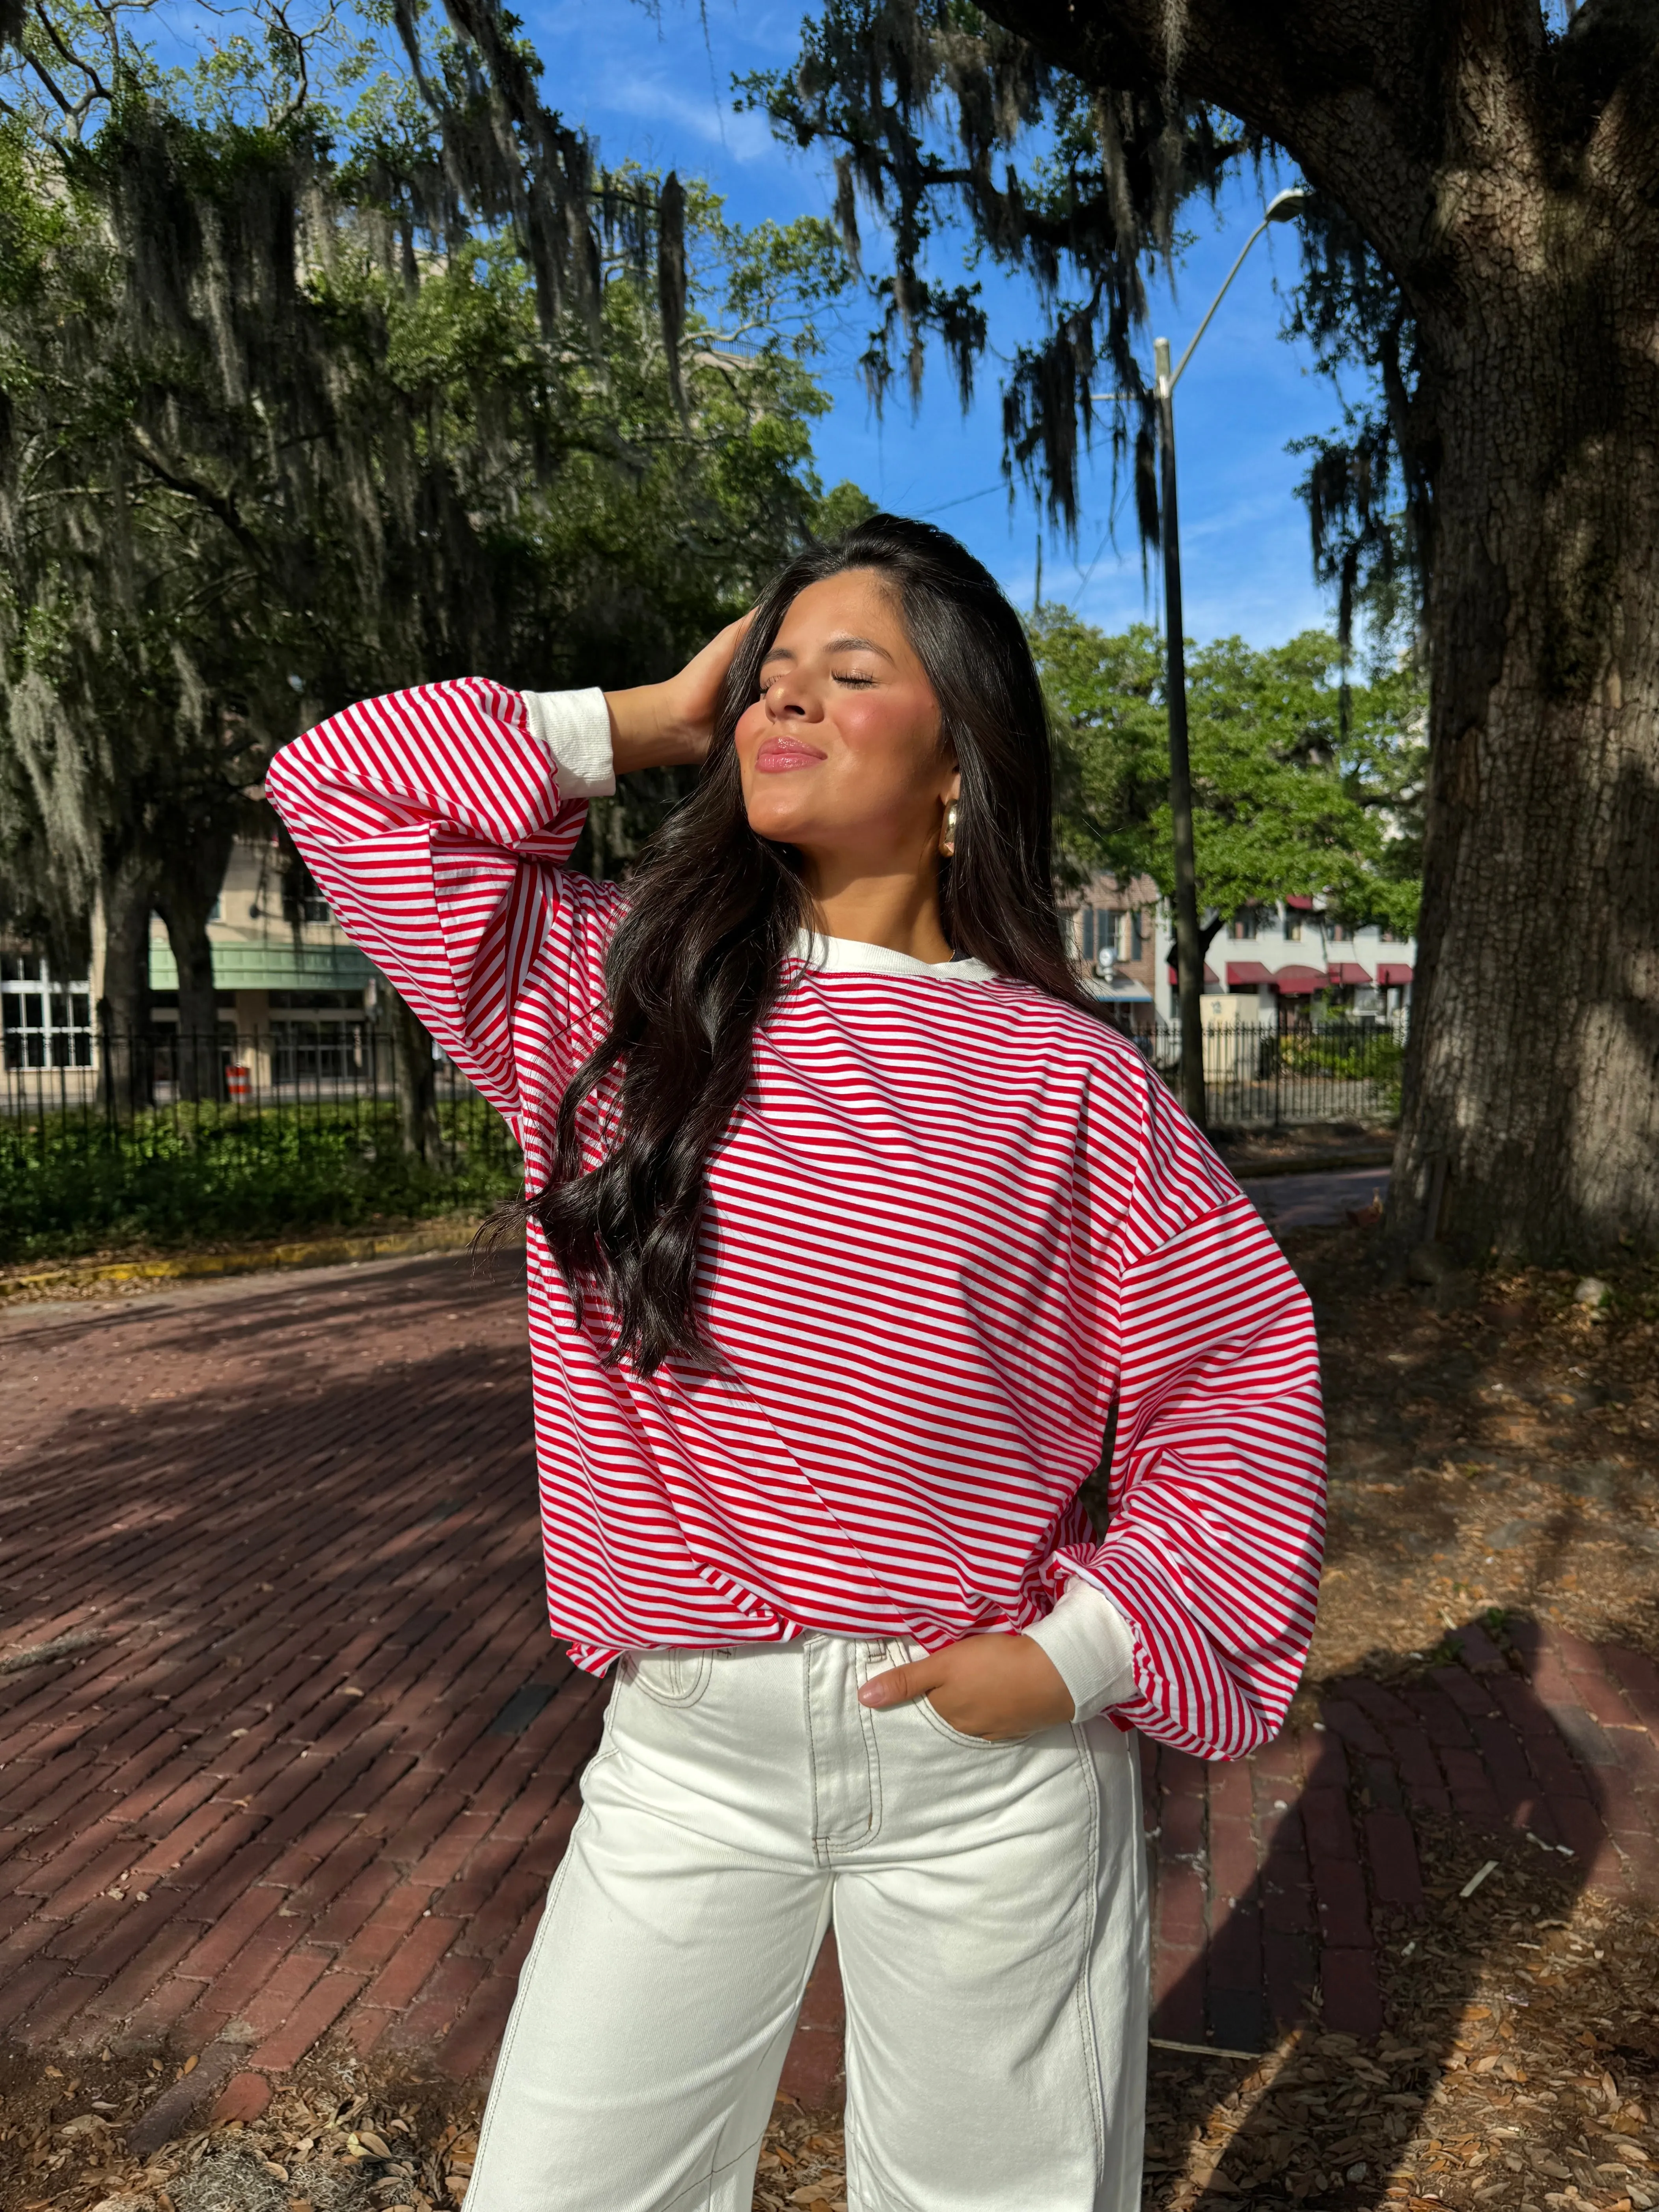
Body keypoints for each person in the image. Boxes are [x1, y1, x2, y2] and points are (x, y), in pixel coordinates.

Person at [266, 515, 1325, 2212]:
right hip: (691, 1754)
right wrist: (645, 717)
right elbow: (342, 788)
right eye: (763, 679)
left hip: (989, 1764)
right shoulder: (610, 994)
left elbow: (1242, 1380)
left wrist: (1076, 1653)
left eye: (850, 672)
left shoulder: (1072, 1082)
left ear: (959, 754)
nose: (782, 704)